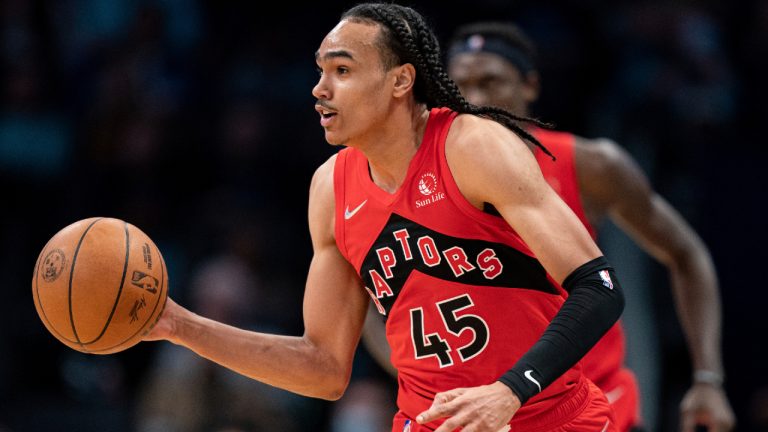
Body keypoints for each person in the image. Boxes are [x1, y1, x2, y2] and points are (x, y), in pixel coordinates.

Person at [145, 4, 627, 431]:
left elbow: (599, 287)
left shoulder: (473, 146)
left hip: (548, 418)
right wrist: (179, 325)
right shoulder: (330, 189)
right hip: (429, 423)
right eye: (320, 71)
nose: (320, 89)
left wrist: (509, 391)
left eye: (342, 70)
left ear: (400, 80)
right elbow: (323, 368)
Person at [362, 20, 734, 432]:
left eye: (492, 81)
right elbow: (365, 303)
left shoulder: (590, 166)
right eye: (461, 84)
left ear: (530, 87)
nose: (475, 98)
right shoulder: (416, 180)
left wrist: (707, 379)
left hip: (591, 408)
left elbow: (686, 253)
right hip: (489, 413)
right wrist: (420, 379)